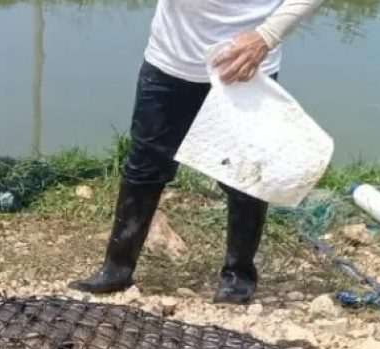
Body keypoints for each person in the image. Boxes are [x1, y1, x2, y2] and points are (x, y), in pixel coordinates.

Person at [71, 0, 325, 304]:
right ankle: (116, 268)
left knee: (246, 176)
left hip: (246, 68)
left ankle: (238, 276)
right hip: (170, 61)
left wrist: (267, 36)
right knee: (144, 166)